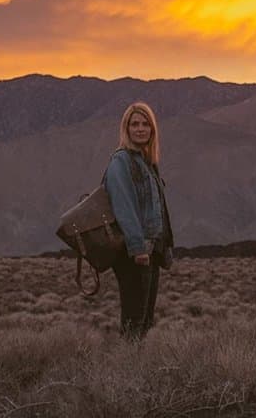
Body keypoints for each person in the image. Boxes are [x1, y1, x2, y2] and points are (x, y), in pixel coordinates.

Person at [103, 102, 174, 340]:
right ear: (126, 128)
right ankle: (126, 372)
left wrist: (165, 248)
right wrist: (137, 248)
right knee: (134, 323)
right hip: (133, 254)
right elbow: (125, 207)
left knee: (144, 323)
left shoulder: (146, 163)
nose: (141, 129)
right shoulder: (121, 162)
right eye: (135, 124)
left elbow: (159, 210)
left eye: (146, 124)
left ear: (153, 130)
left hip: (150, 251)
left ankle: (136, 370)